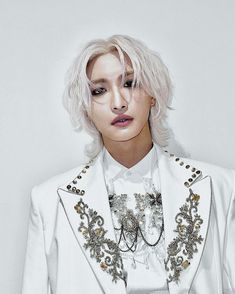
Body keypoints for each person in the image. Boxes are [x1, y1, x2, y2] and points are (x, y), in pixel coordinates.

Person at [22, 35, 235, 294]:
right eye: (99, 90)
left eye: (130, 84)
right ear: (86, 107)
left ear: (153, 95)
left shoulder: (220, 187)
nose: (118, 102)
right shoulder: (49, 201)